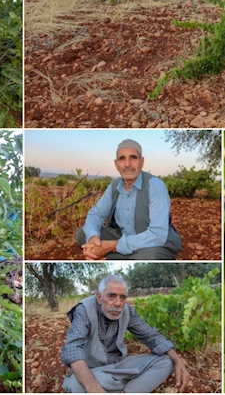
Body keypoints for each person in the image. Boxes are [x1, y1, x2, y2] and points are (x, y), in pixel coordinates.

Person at [61, 274, 189, 393]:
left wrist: (178, 361)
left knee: (167, 360)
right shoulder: (84, 309)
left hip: (118, 367)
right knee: (75, 385)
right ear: (99, 297)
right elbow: (72, 347)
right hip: (92, 371)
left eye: (122, 297)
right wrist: (93, 388)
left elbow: (150, 336)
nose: (118, 303)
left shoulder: (128, 311)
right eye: (111, 296)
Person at [76, 139, 182, 260]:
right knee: (83, 234)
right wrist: (93, 239)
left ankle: (107, 256)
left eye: (133, 158)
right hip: (123, 236)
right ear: (116, 164)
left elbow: (157, 234)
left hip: (150, 243)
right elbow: (96, 214)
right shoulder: (114, 186)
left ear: (141, 162)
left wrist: (113, 246)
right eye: (122, 159)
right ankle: (109, 254)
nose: (127, 164)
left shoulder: (155, 185)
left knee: (151, 257)